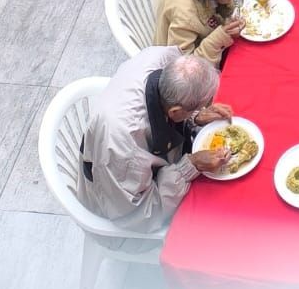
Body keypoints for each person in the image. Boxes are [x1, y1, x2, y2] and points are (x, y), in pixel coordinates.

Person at [76, 49, 232, 231]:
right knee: (217, 220)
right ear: (175, 112)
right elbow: (140, 215)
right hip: (120, 217)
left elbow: (170, 101)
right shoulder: (126, 148)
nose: (204, 107)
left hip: (125, 171)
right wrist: (191, 166)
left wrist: (194, 117)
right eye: (200, 105)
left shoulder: (165, 57)